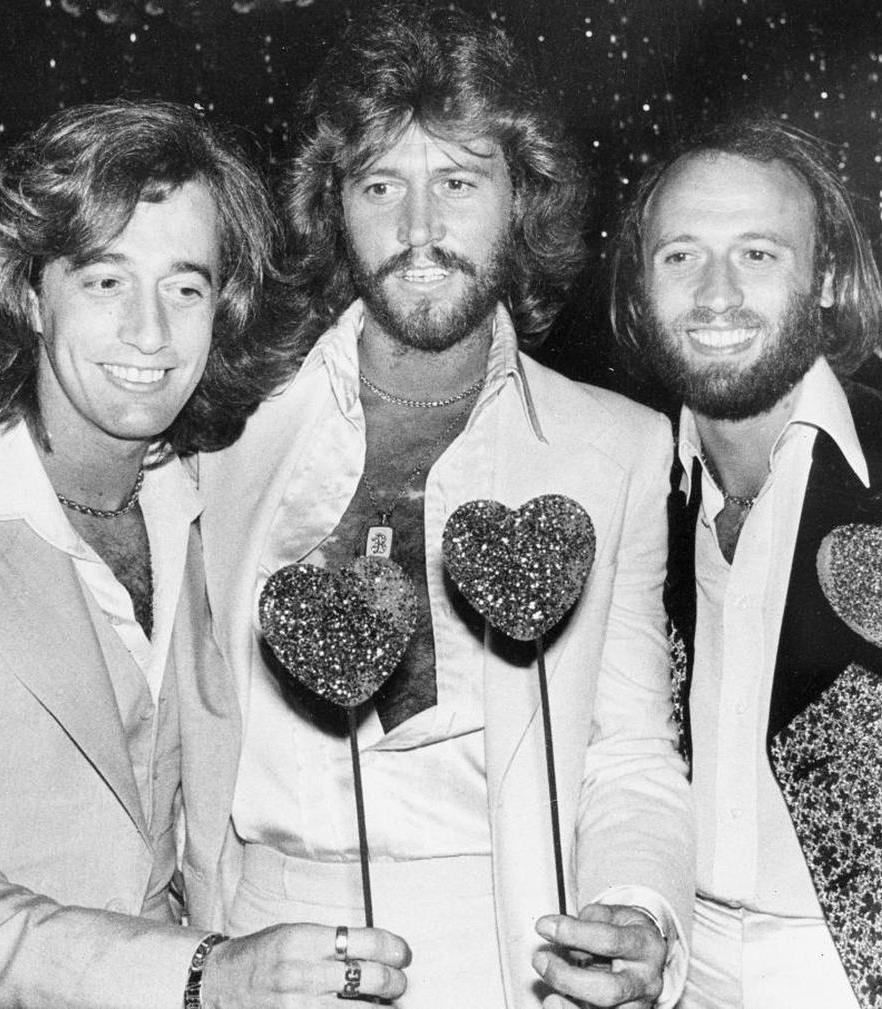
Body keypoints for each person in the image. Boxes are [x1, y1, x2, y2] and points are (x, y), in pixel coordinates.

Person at [198, 5, 694, 1008]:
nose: (420, 231)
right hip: (262, 938)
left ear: (523, 202)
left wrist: (639, 912)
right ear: (337, 207)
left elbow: (632, 751)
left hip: (508, 948)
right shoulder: (226, 424)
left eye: (459, 183)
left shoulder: (623, 449)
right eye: (383, 185)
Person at [0, 99, 410, 1009]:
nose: (152, 333)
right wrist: (203, 974)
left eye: (186, 286)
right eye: (106, 281)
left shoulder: (209, 512)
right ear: (29, 293)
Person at [609, 112, 882, 1009]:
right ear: (642, 288)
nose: (716, 293)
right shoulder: (625, 486)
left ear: (826, 277)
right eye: (680, 256)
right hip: (678, 978)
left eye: (758, 253)